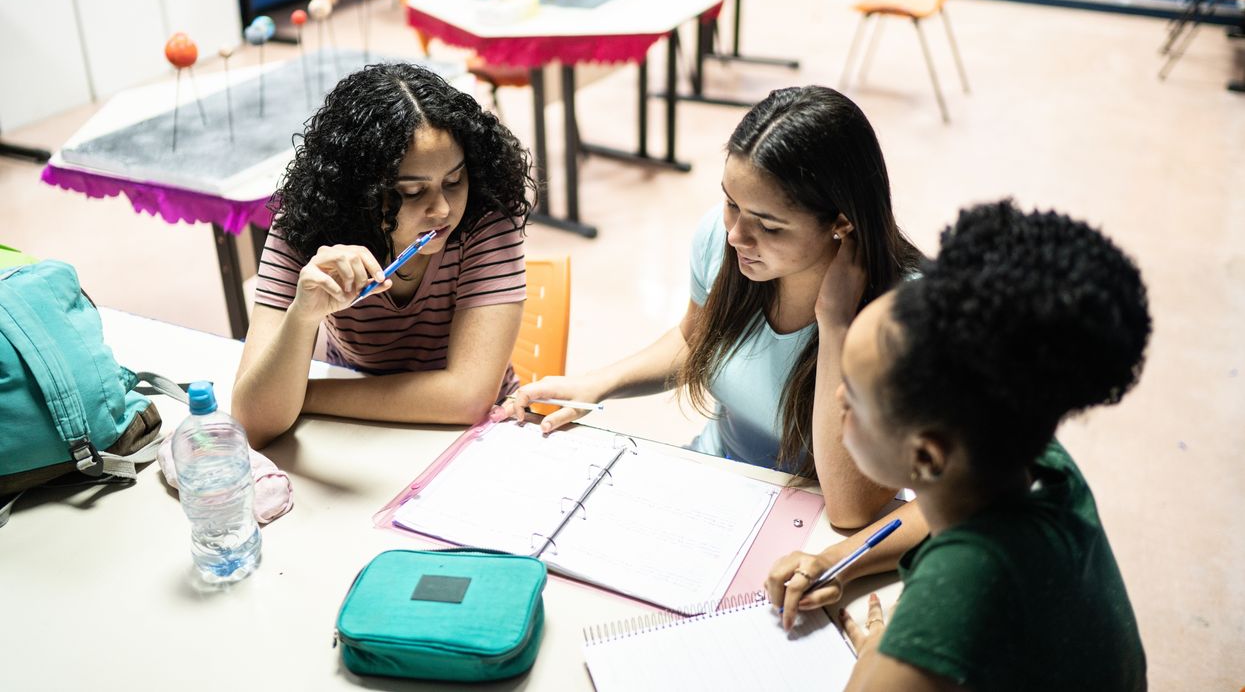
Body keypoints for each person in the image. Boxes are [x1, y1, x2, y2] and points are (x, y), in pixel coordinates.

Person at [492, 86, 923, 528]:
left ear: (842, 222)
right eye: (731, 204)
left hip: (811, 522)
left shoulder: (907, 312)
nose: (736, 235)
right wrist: (598, 384)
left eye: (768, 226)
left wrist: (836, 326)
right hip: (715, 480)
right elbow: (696, 338)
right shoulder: (724, 244)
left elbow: (850, 507)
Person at [767, 200, 1150, 691]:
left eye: (855, 397)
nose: (837, 395)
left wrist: (880, 666)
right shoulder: (1032, 460)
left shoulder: (962, 584)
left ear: (925, 455)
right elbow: (934, 513)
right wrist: (838, 558)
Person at [233, 63, 535, 448]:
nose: (442, 210)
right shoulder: (305, 229)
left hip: (473, 437)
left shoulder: (485, 218)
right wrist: (302, 316)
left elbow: (468, 398)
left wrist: (302, 396)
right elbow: (254, 423)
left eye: (454, 181)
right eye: (411, 192)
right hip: (358, 431)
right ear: (358, 191)